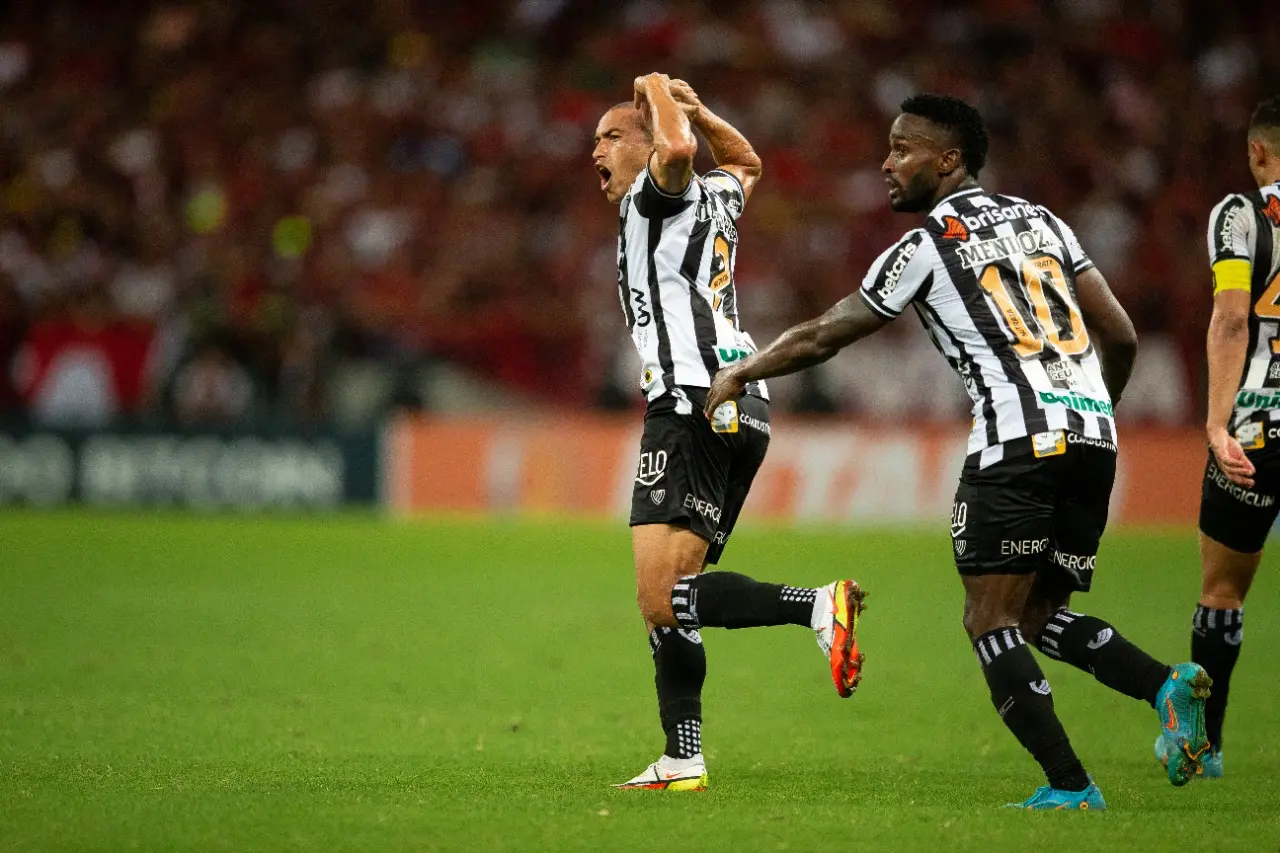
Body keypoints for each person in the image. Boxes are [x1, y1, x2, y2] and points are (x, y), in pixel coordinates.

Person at [704, 93, 1212, 810]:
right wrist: (1097, 412)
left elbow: (828, 332)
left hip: (1015, 443)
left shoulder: (924, 246)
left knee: (989, 619)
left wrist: (743, 370)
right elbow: (1121, 333)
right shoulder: (1045, 222)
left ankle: (1069, 785)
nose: (886, 162)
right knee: (1036, 615)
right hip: (1093, 439)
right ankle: (1165, 685)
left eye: (903, 149)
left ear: (948, 161)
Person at [591, 73, 867, 792]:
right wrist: (705, 111)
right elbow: (746, 164)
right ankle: (683, 756)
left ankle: (816, 605)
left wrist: (657, 91)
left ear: (649, 144)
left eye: (611, 134)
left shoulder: (666, 190)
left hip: (687, 400)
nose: (596, 148)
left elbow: (681, 148)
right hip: (742, 401)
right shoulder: (714, 196)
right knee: (679, 596)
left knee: (663, 597)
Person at [1173, 95, 1280, 779]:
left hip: (1258, 429)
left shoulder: (1242, 215)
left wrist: (1215, 421)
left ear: (1256, 151)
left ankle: (1202, 745)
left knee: (1222, 592)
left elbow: (1232, 317)